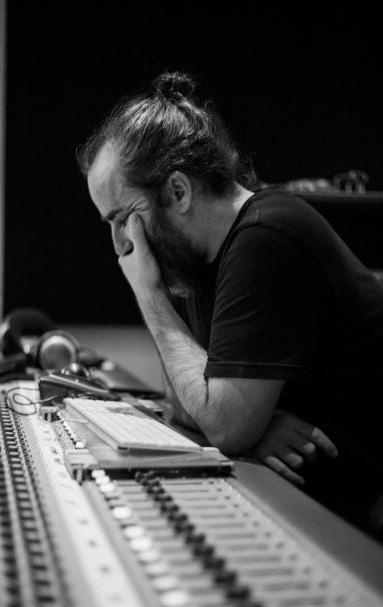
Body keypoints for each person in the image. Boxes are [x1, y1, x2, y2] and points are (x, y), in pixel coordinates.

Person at [77, 71, 383, 535]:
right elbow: (181, 398)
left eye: (123, 219)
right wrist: (249, 424)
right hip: (310, 501)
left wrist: (149, 294)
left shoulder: (266, 237)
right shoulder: (198, 260)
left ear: (177, 192)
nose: (122, 246)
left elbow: (221, 423)